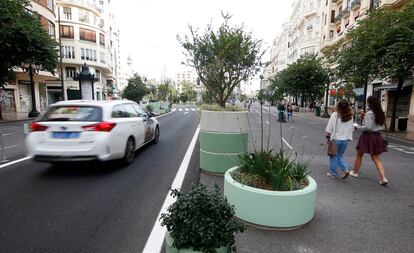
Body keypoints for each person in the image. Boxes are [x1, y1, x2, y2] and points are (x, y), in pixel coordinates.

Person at [351, 96, 388, 185]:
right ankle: (383, 177)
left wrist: (357, 127)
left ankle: (355, 172)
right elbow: (380, 126)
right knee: (376, 157)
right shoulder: (380, 113)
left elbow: (368, 127)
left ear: (370, 103)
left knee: (359, 154)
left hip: (368, 136)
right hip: (377, 136)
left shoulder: (370, 113)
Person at [325, 100, 354, 179]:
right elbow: (352, 129)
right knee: (340, 155)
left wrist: (327, 136)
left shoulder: (335, 115)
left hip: (336, 139)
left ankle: (334, 173)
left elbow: (329, 129)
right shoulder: (350, 116)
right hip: (345, 140)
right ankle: (345, 169)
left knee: (333, 156)